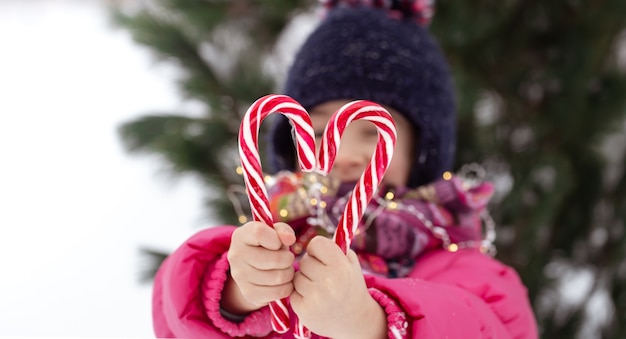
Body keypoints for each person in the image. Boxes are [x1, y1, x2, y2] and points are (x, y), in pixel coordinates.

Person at [151, 2, 538, 338]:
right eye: (319, 131)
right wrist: (238, 293)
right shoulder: (272, 241)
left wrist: (368, 322)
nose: (345, 154)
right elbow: (175, 316)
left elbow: (485, 327)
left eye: (371, 132)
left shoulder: (469, 270)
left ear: (421, 149)